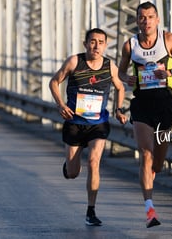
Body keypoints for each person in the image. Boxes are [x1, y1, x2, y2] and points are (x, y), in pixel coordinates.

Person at [118, 1, 172, 228]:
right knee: (146, 154)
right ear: (137, 20)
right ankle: (149, 209)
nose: (146, 21)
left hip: (164, 103)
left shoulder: (169, 39)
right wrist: (124, 78)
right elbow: (120, 69)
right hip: (142, 104)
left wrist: (169, 71)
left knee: (157, 163)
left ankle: (155, 171)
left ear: (157, 20)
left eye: (150, 17)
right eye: (142, 17)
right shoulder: (130, 45)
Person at [49, 28, 128, 226]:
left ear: (106, 45)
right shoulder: (75, 62)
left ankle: (91, 211)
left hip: (98, 124)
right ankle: (69, 166)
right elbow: (54, 81)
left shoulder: (110, 66)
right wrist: (61, 104)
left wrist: (119, 109)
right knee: (73, 173)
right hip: (75, 123)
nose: (96, 46)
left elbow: (120, 87)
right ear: (86, 44)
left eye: (101, 42)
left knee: (94, 161)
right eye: (92, 41)